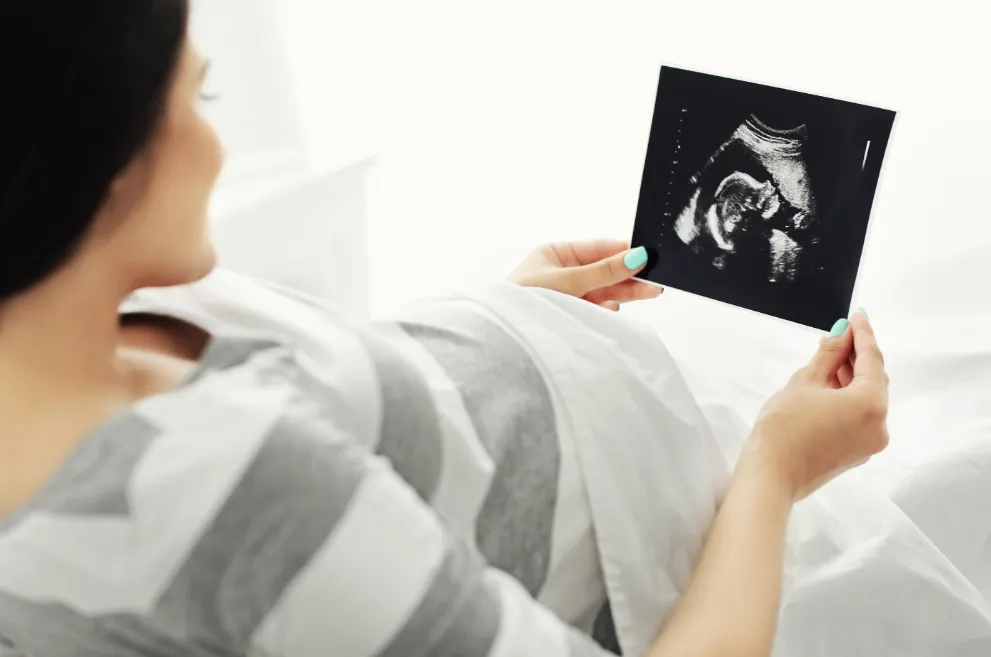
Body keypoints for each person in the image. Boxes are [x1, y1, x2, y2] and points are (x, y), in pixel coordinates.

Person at [0, 2, 889, 656]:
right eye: (200, 97)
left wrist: (503, 313)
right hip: (672, 541)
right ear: (99, 154)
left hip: (594, 401)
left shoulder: (63, 332)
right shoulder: (222, 491)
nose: (219, 146)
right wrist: (777, 467)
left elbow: (325, 428)